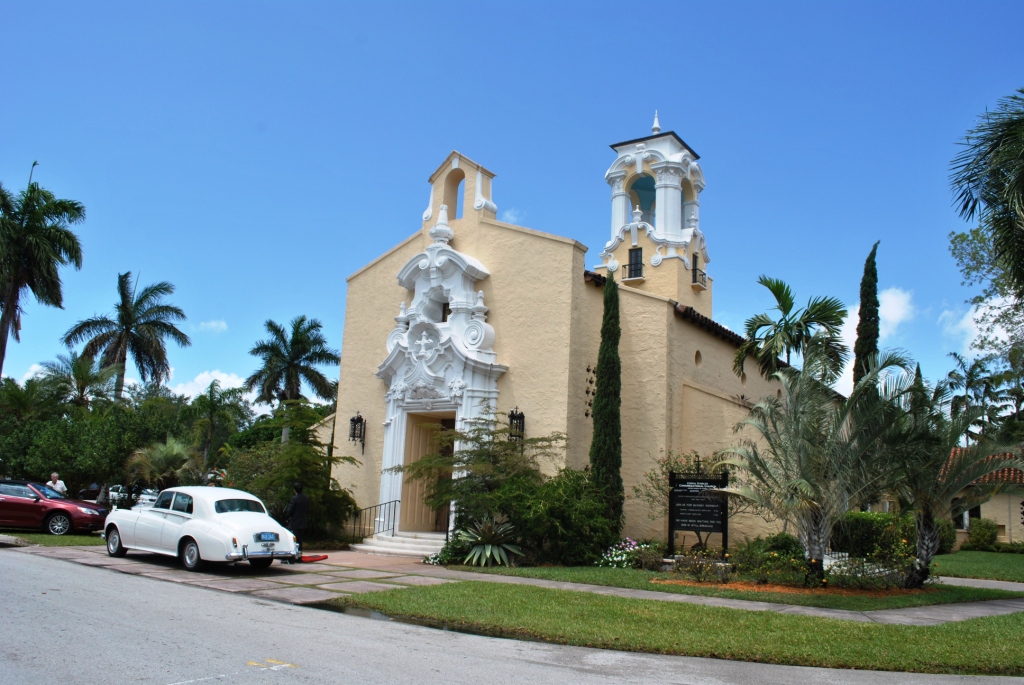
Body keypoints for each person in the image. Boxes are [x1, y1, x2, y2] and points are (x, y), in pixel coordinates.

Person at [286, 482, 310, 557]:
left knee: (293, 540)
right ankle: (299, 556)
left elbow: (290, 511)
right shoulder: (306, 498)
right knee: (300, 541)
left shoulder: (294, 499)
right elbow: (307, 510)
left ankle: (293, 556)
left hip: (295, 523)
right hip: (303, 522)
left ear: (295, 490)